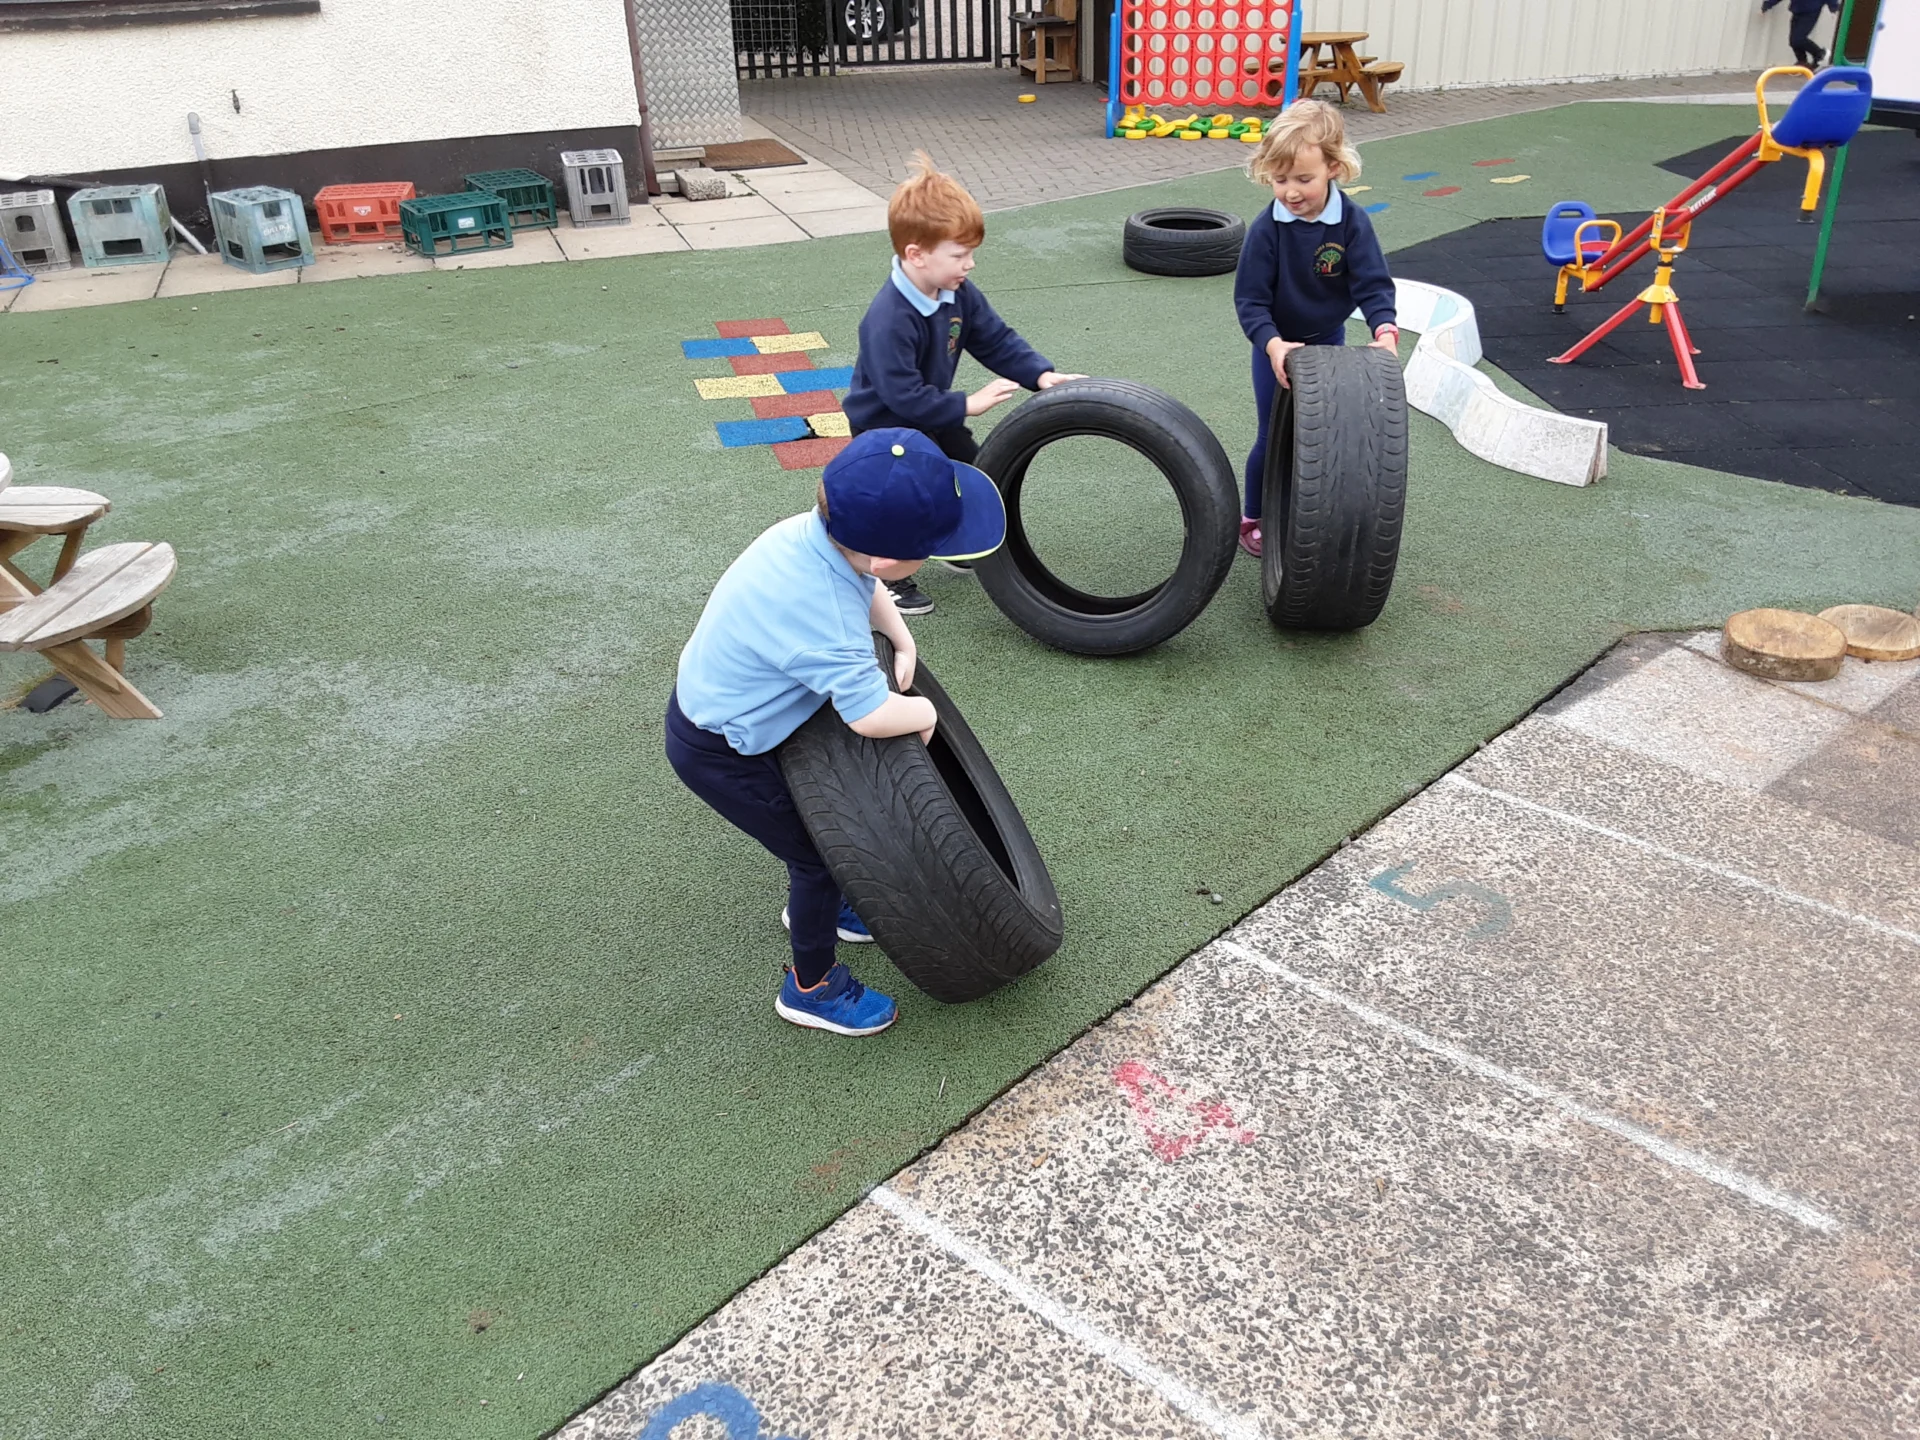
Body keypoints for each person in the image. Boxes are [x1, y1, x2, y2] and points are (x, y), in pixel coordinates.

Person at [665, 427, 1007, 1037]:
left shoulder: (816, 538)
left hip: (737, 704)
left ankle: (848, 906)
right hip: (721, 749)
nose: (933, 555)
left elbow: (866, 584)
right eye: (930, 547)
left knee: (825, 842)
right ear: (888, 556)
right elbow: (870, 716)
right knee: (819, 858)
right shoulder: (819, 608)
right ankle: (811, 988)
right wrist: (925, 713)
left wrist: (902, 636)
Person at [844, 150, 1083, 615]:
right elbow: (900, 395)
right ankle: (882, 578)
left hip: (934, 412)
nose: (969, 264)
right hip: (885, 427)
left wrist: (1040, 373)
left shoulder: (956, 293)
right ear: (916, 254)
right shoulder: (889, 318)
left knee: (969, 471)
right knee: (900, 501)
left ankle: (954, 544)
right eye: (959, 254)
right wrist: (967, 405)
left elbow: (994, 339)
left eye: (971, 252)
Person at [1231, 99, 1399, 559]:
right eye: (1280, 180)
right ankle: (1254, 516)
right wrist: (1272, 345)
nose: (1290, 192)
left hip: (1329, 342)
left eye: (1303, 179)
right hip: (1277, 345)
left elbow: (1372, 283)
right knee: (1272, 433)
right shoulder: (1268, 229)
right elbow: (1250, 300)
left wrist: (1384, 330)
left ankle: (1310, 510)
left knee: (1321, 434)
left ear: (1334, 167)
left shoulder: (1351, 223)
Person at [1763, 0, 1840, 71]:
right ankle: (1802, 62)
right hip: (1797, 9)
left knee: (1798, 39)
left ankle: (1820, 53)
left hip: (1811, 10)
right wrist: (1768, 4)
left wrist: (1833, 7)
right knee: (1793, 41)